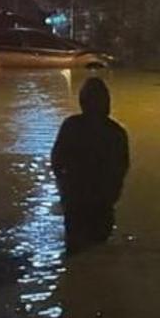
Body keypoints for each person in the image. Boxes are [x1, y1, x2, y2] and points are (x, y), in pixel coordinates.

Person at [51, 78, 129, 254]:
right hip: (101, 200)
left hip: (76, 199)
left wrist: (64, 187)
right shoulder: (116, 132)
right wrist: (113, 193)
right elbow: (122, 167)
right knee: (100, 251)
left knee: (76, 250)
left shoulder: (71, 126)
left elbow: (57, 161)